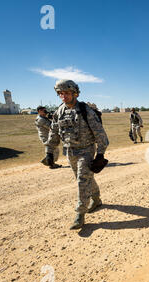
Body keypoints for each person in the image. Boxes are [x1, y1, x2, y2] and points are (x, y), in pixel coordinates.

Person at [45, 79, 109, 230]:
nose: (63, 96)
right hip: (70, 151)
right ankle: (96, 198)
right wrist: (49, 151)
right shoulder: (59, 112)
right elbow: (53, 132)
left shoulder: (85, 110)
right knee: (85, 178)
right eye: (60, 93)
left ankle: (80, 214)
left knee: (82, 180)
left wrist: (100, 154)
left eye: (66, 93)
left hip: (86, 150)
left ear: (75, 93)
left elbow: (101, 135)